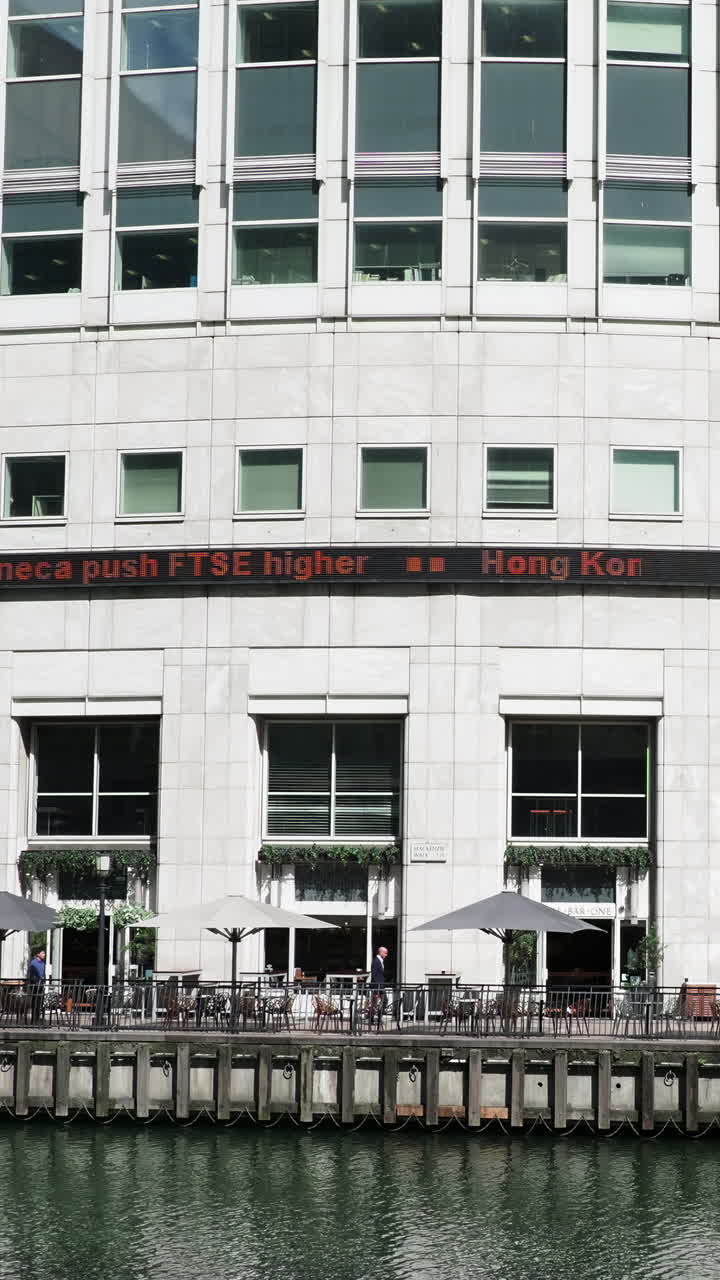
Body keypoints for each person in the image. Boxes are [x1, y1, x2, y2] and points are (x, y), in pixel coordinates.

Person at [25, 947, 46, 1025]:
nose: (44, 955)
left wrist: (44, 981)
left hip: (41, 985)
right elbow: (32, 975)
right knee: (35, 1002)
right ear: (38, 954)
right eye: (43, 953)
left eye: (44, 953)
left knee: (40, 1003)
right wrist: (36, 982)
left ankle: (38, 1019)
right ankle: (33, 1020)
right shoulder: (33, 963)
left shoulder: (43, 963)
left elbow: (43, 974)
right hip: (35, 985)